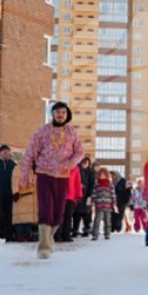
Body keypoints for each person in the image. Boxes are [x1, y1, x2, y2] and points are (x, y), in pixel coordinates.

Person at [19, 101, 84, 259]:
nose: (60, 115)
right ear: (52, 114)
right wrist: (25, 173)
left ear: (67, 115)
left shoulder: (72, 132)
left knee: (58, 214)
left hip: (63, 176)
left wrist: (69, 164)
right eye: (57, 112)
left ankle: (48, 237)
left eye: (63, 112)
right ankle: (44, 247)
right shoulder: (43, 131)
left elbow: (80, 152)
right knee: (45, 209)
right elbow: (30, 152)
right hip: (44, 174)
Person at [56, 163, 82, 243]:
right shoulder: (58, 164)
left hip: (71, 196)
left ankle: (66, 235)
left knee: (68, 216)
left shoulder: (75, 168)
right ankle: (57, 235)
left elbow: (77, 182)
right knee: (59, 216)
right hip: (59, 195)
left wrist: (78, 195)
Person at [90, 167, 117, 241]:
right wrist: (93, 202)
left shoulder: (110, 184)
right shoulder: (97, 184)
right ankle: (95, 235)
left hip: (108, 205)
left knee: (107, 220)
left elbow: (113, 194)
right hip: (99, 205)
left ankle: (107, 234)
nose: (102, 176)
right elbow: (94, 194)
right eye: (101, 174)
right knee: (97, 220)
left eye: (104, 174)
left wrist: (114, 203)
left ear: (106, 175)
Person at [73, 156, 95, 237]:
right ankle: (75, 230)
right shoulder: (78, 169)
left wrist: (90, 195)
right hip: (78, 195)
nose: (86, 164)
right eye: (84, 162)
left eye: (87, 163)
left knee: (87, 214)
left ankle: (86, 230)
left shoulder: (90, 172)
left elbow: (92, 184)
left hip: (87, 196)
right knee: (76, 214)